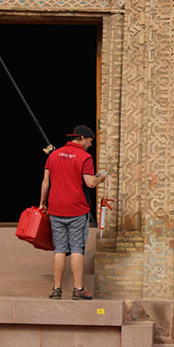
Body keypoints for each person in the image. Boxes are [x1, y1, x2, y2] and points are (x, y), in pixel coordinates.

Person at [39, 125, 107, 300]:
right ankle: (78, 289)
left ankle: (57, 289)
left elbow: (46, 182)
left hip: (56, 208)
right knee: (77, 249)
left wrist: (42, 203)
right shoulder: (85, 157)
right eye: (90, 141)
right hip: (77, 209)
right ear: (83, 139)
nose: (90, 145)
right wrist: (101, 177)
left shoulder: (53, 155)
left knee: (60, 249)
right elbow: (90, 183)